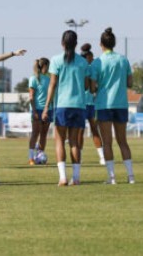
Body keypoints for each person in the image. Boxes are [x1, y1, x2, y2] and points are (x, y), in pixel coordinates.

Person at [42, 30, 90, 186]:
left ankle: (62, 178)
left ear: (62, 43)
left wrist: (46, 106)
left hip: (62, 106)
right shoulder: (83, 62)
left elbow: (52, 85)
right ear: (76, 44)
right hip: (79, 106)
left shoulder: (56, 60)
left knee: (59, 141)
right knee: (75, 142)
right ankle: (75, 178)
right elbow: (87, 86)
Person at [90, 28, 134, 184]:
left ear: (101, 44)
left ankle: (112, 178)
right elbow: (130, 83)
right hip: (121, 104)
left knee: (107, 142)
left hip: (103, 105)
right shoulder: (123, 60)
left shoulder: (97, 62)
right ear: (114, 43)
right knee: (123, 141)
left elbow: (93, 86)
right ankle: (131, 177)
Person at [80, 43, 105, 166]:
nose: (93, 59)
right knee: (80, 132)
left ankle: (102, 156)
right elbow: (89, 87)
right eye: (91, 57)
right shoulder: (82, 67)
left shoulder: (91, 68)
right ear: (87, 57)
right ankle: (78, 156)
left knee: (95, 130)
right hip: (80, 104)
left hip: (91, 104)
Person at [28, 58, 51, 165]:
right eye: (48, 65)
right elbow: (31, 97)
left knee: (44, 134)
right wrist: (34, 111)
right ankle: (31, 157)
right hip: (37, 109)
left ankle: (40, 156)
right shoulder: (33, 79)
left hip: (48, 109)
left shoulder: (49, 79)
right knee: (35, 133)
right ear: (44, 65)